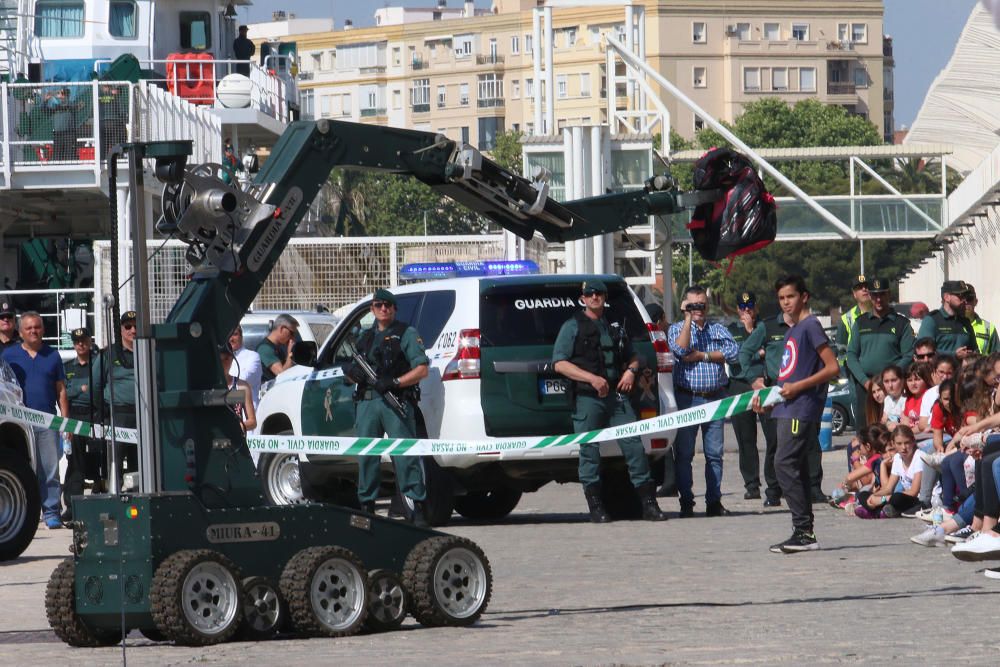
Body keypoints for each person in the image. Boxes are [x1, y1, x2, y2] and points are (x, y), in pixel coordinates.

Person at [554, 280, 667, 522]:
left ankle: (648, 504)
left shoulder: (614, 325)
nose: (594, 297)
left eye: (598, 294)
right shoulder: (572, 326)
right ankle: (596, 507)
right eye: (589, 294)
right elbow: (560, 363)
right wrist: (591, 379)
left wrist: (630, 371)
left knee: (634, 446)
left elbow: (634, 356)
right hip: (588, 397)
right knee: (590, 451)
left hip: (616, 397)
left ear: (604, 297)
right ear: (583, 298)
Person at [752, 276, 839, 553]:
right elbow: (787, 376)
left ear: (804, 296)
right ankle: (804, 531)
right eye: (781, 298)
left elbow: (832, 367)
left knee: (784, 464)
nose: (785, 303)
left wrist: (799, 387)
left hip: (801, 409)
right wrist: (768, 402)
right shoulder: (792, 332)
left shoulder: (811, 326)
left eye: (790, 296)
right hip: (784, 408)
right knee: (794, 467)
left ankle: (803, 530)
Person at [345, 288, 430, 527]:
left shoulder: (406, 333)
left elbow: (422, 369)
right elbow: (350, 374)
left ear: (394, 309)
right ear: (372, 309)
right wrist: (353, 374)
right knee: (367, 456)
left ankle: (417, 508)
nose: (384, 309)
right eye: (379, 305)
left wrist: (395, 382)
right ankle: (367, 509)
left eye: (388, 305)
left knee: (405, 455)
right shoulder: (364, 337)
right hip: (367, 402)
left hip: (395, 400)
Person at [667, 285, 739, 517]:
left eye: (701, 304)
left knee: (714, 454)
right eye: (693, 305)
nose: (698, 309)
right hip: (687, 399)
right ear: (685, 306)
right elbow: (680, 348)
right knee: (685, 454)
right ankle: (686, 502)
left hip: (714, 398)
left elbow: (733, 352)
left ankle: (714, 502)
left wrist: (702, 355)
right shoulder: (677, 328)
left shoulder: (717, 329)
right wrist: (687, 319)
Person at [2, 311, 69, 529]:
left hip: (48, 422)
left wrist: (65, 422)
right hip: (19, 424)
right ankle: (25, 513)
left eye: (37, 327)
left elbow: (61, 391)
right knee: (22, 470)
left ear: (43, 329)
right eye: (29, 328)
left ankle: (51, 512)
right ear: (20, 332)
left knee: (50, 470)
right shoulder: (9, 356)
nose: (34, 331)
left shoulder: (53, 355)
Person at [845, 277, 914, 430]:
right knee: (865, 430)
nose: (878, 299)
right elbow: (851, 355)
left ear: (889, 295)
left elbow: (908, 355)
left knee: (890, 430)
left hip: (891, 387)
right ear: (869, 295)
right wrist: (866, 382)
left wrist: (889, 379)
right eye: (874, 295)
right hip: (866, 387)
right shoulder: (861, 322)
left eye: (882, 294)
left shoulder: (901, 323)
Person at [61, 327, 104, 521]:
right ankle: (72, 505)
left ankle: (100, 500)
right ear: (73, 343)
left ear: (89, 341)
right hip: (75, 416)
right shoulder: (68, 367)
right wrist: (81, 387)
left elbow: (98, 390)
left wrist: (76, 389)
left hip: (94, 416)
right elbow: (64, 393)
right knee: (75, 463)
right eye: (77, 341)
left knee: (97, 458)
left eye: (84, 340)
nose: (81, 344)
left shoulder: (98, 364)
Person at [727, 291, 766, 500]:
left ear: (755, 307)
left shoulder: (763, 328)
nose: (746, 311)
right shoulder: (731, 330)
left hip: (761, 383)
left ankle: (775, 485)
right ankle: (752, 484)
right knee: (745, 439)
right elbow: (733, 357)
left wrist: (751, 331)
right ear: (737, 309)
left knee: (773, 436)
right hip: (739, 384)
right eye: (742, 307)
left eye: (750, 306)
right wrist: (755, 351)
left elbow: (769, 352)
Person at [100, 310, 139, 477]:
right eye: (128, 326)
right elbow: (96, 382)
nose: (133, 330)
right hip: (118, 414)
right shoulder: (110, 353)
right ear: (121, 329)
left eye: (137, 326)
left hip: (143, 414)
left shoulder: (150, 350)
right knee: (115, 459)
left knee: (139, 460)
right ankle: (114, 493)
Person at [917, 280, 976, 359]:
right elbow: (923, 351)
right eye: (961, 296)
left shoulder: (965, 322)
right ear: (946, 297)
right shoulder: (931, 320)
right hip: (939, 370)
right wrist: (953, 355)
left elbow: (974, 349)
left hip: (963, 370)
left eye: (966, 297)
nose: (965, 300)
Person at [220, 344, 256, 433]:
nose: (223, 363)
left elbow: (252, 422)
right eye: (220, 360)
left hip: (236, 441)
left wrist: (238, 426)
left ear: (232, 359)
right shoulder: (207, 386)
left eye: (226, 359)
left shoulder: (242, 386)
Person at [835, 275, 871, 364]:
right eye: (860, 287)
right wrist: (845, 373)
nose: (864, 289)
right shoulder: (846, 319)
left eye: (867, 286)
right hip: (855, 371)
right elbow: (841, 352)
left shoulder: (881, 313)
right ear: (854, 294)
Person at [228, 324, 263, 411]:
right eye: (228, 335)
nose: (231, 339)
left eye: (235, 334)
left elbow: (244, 379)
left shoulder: (253, 356)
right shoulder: (219, 358)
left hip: (247, 414)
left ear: (241, 337)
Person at [257, 313, 299, 383]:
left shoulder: (277, 347)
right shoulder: (265, 349)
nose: (293, 337)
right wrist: (290, 354)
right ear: (282, 329)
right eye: (291, 333)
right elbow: (283, 375)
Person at [964, 285, 998, 355]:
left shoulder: (988, 328)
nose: (966, 302)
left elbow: (996, 357)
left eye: (969, 299)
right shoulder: (952, 324)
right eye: (962, 299)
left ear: (975, 302)